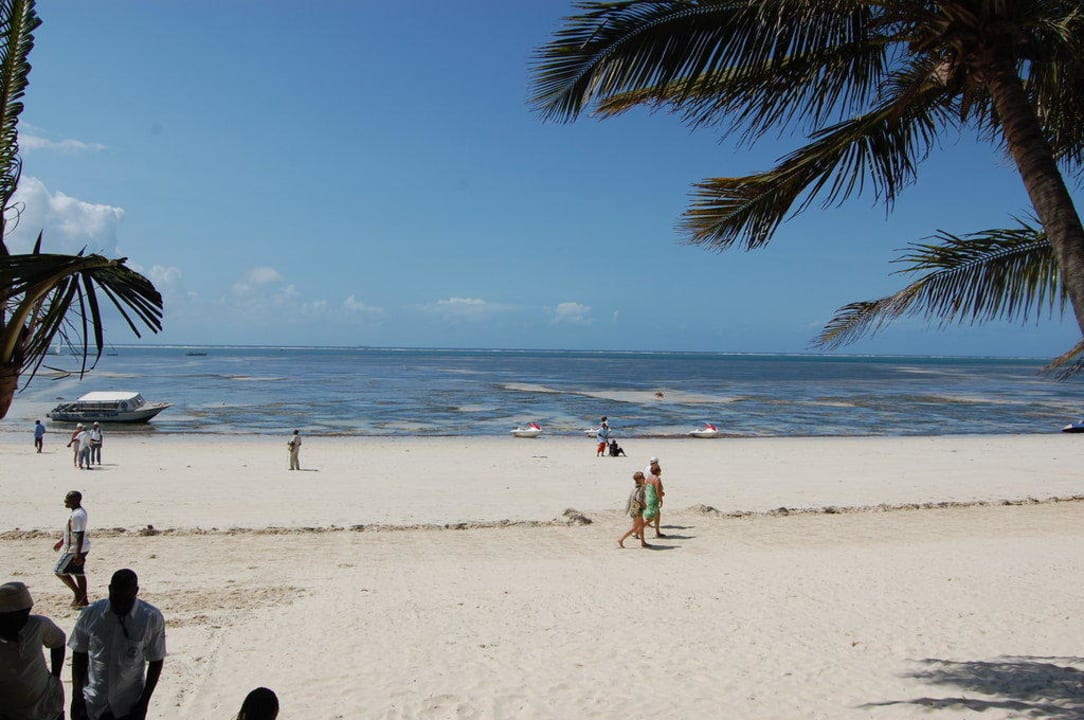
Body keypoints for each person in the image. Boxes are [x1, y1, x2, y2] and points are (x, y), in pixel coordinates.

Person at [70, 569, 166, 720]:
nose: (120, 604)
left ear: (136, 591)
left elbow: (156, 660)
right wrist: (77, 697)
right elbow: (79, 654)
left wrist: (144, 702)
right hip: (93, 702)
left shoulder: (150, 617)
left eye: (126, 599)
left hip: (128, 706)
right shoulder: (91, 613)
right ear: (109, 589)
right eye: (115, 597)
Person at [0, 581, 66, 720]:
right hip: (8, 712)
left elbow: (58, 642)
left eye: (25, 613)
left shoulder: (38, 625)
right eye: (15, 616)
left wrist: (55, 677)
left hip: (46, 707)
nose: (22, 619)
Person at [54, 491, 90, 608]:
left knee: (59, 570)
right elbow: (72, 531)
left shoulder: (77, 515)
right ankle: (83, 600)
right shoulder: (78, 512)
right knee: (78, 572)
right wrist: (62, 541)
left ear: (75, 500)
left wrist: (78, 554)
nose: (65, 501)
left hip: (74, 549)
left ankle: (78, 594)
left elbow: (79, 534)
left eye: (68, 499)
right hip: (81, 547)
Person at [617, 472, 651, 549]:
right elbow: (639, 499)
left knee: (641, 526)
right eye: (642, 478)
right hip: (638, 510)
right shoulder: (640, 488)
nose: (644, 479)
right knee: (636, 528)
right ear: (639, 479)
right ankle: (621, 539)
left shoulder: (636, 487)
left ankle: (643, 542)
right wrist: (645, 506)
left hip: (634, 510)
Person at [644, 463, 666, 539]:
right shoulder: (657, 479)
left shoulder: (649, 478)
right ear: (658, 471)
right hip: (654, 500)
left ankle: (657, 532)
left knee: (657, 516)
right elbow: (658, 492)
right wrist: (661, 499)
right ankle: (636, 531)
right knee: (651, 517)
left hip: (648, 498)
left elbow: (645, 487)